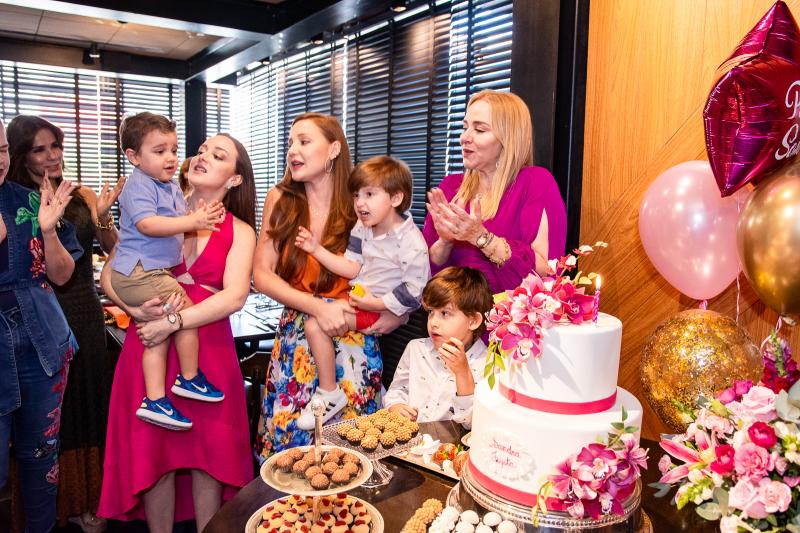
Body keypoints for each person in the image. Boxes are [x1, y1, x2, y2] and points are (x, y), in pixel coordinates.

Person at [97, 133, 256, 533]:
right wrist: (134, 309)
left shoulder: (240, 231)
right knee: (156, 456)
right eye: (201, 150)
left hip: (208, 353)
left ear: (235, 179)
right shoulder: (153, 211)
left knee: (209, 457)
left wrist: (173, 322)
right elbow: (110, 273)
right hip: (150, 344)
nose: (203, 157)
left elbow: (235, 296)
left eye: (218, 155)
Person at [253, 113, 405, 459]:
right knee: (291, 457)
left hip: (354, 339)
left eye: (304, 141)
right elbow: (261, 274)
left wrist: (398, 313)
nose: (293, 150)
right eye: (290, 142)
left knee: (352, 458)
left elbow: (398, 268)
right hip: (297, 340)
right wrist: (316, 307)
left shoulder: (361, 203)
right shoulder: (281, 198)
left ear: (334, 149)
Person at [5, 114, 124, 533]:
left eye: (55, 146)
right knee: (51, 415)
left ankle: (89, 498)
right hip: (39, 310)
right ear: (21, 155)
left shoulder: (80, 193)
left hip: (84, 308)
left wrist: (103, 216)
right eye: (40, 149)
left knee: (89, 403)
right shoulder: (17, 201)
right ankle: (53, 507)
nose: (52, 156)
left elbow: (111, 248)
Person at [293, 155, 430, 429]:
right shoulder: (363, 227)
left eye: (369, 194)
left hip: (376, 309)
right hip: (358, 299)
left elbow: (415, 290)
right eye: (357, 195)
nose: (359, 203)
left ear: (395, 198)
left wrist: (376, 303)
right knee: (316, 317)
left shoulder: (411, 242)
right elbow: (351, 266)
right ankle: (331, 390)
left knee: (314, 326)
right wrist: (315, 249)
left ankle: (329, 392)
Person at [109, 112, 226, 430]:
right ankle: (189, 377)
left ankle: (155, 399)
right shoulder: (139, 185)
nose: (171, 158)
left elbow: (179, 216)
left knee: (157, 337)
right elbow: (148, 224)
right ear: (133, 156)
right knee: (184, 311)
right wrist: (193, 221)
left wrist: (196, 215)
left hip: (148, 272)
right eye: (160, 151)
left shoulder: (168, 186)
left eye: (173, 150)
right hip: (140, 272)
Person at [0, 118, 83, 533]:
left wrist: (48, 231)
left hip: (42, 344)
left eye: (0, 150)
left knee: (41, 459)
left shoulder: (29, 201)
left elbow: (63, 275)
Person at [423, 90, 567, 294]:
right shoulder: (450, 186)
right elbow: (426, 273)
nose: (464, 137)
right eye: (465, 127)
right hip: (452, 312)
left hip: (508, 313)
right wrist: (445, 242)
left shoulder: (535, 182)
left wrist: (480, 237)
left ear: (508, 139)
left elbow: (547, 272)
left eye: (479, 130)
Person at [384, 267, 492, 428]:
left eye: (445, 313)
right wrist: (397, 406)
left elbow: (472, 423)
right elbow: (397, 391)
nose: (433, 322)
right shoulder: (416, 349)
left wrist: (462, 373)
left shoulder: (488, 363)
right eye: (431, 312)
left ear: (473, 321)